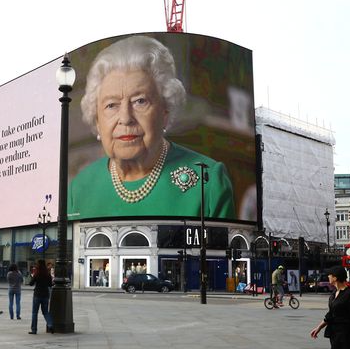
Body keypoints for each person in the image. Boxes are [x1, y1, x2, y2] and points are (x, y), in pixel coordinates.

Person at [69, 35, 235, 220]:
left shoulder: (208, 180)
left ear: (165, 111)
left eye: (140, 101)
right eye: (111, 105)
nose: (125, 118)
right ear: (97, 120)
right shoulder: (79, 188)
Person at [28, 259, 52, 334]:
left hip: (37, 294)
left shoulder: (37, 273)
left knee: (34, 313)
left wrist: (32, 277)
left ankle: (34, 329)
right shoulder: (47, 274)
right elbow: (50, 284)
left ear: (38, 265)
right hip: (45, 295)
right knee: (45, 312)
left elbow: (31, 283)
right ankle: (50, 324)